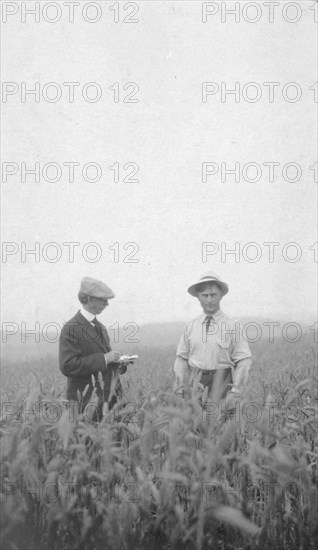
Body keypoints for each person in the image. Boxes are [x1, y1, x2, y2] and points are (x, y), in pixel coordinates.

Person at [174, 271, 252, 401]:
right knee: (196, 421)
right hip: (195, 387)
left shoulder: (233, 325)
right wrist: (181, 389)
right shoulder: (190, 326)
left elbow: (244, 360)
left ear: (221, 295)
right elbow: (182, 359)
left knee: (221, 420)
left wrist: (235, 391)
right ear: (198, 297)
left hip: (223, 386)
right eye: (205, 295)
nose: (209, 300)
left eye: (213, 295)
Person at [59, 276, 129, 421]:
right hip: (85, 405)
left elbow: (106, 363)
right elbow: (67, 366)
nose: (107, 304)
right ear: (89, 299)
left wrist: (118, 363)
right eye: (103, 299)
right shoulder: (71, 328)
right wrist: (104, 358)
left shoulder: (101, 327)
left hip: (109, 402)